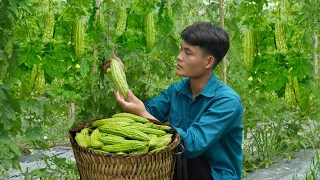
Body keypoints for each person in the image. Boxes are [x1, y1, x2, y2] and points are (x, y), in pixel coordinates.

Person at [103, 22, 243, 180]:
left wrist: (142, 112)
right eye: (181, 49)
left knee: (184, 155)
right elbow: (145, 112)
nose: (179, 57)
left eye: (188, 53)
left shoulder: (227, 101)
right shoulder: (177, 90)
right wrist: (119, 76)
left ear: (208, 62)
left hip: (213, 174)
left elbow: (191, 145)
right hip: (181, 168)